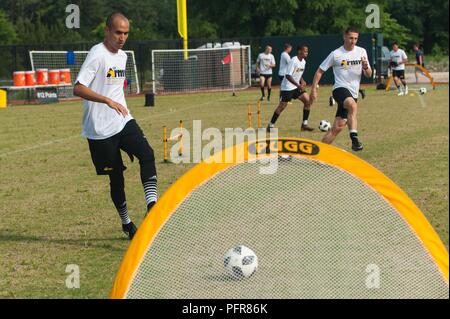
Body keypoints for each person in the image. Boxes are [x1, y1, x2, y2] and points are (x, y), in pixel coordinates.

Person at [73, 13, 157, 240]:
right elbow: (78, 88)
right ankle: (127, 223)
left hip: (122, 120)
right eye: (118, 32)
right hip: (99, 130)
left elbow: (115, 86)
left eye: (126, 33)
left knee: (147, 154)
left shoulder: (123, 57)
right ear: (107, 31)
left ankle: (153, 208)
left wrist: (117, 101)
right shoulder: (96, 54)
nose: (122, 37)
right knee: (116, 179)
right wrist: (107, 100)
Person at [310, 27, 372, 152]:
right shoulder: (336, 54)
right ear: (344, 37)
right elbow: (319, 71)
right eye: (351, 38)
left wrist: (366, 67)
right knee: (352, 105)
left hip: (353, 92)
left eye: (355, 38)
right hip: (339, 89)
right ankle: (354, 140)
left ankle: (316, 152)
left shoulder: (362, 52)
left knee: (337, 128)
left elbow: (369, 74)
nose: (353, 41)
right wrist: (313, 89)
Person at [267, 45, 314, 132]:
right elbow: (288, 75)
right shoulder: (293, 60)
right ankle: (270, 125)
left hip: (296, 87)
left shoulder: (303, 61)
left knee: (308, 101)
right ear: (299, 51)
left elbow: (298, 73)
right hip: (287, 88)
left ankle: (304, 125)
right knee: (282, 106)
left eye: (307, 51)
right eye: (305, 51)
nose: (307, 53)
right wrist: (298, 85)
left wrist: (302, 80)